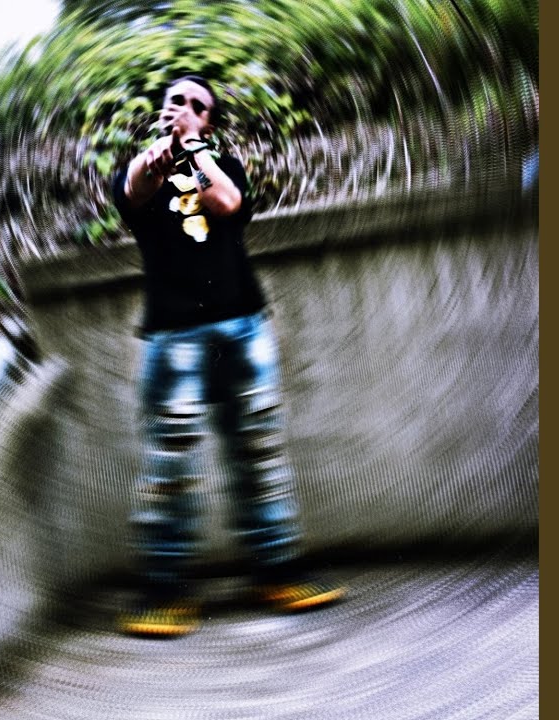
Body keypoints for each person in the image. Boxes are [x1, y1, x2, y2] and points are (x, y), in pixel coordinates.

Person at [112, 76, 344, 638]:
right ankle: (165, 593)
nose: (184, 109)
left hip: (242, 325)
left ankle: (277, 574)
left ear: (208, 121)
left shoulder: (224, 167)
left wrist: (194, 152)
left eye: (197, 106)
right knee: (170, 469)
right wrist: (159, 156)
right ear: (161, 110)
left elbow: (227, 203)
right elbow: (135, 191)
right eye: (176, 101)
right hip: (173, 335)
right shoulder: (139, 169)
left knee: (258, 455)